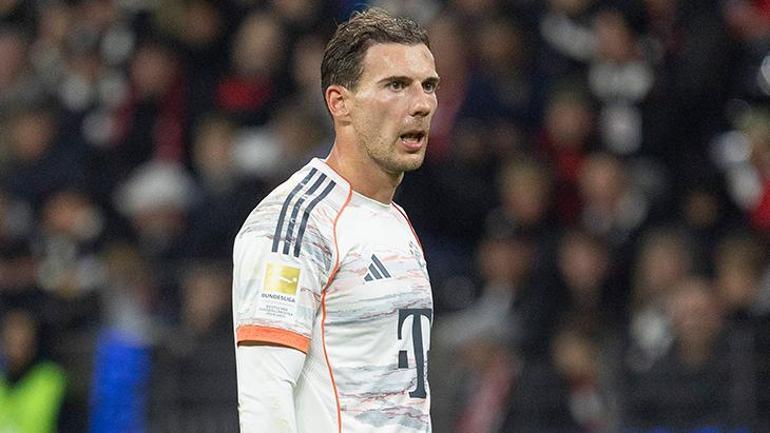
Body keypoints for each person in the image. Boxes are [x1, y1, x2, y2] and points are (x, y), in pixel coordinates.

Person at [231, 8, 439, 433]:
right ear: (339, 102)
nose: (421, 104)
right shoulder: (296, 222)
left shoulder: (395, 220)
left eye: (428, 86)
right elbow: (264, 399)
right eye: (396, 85)